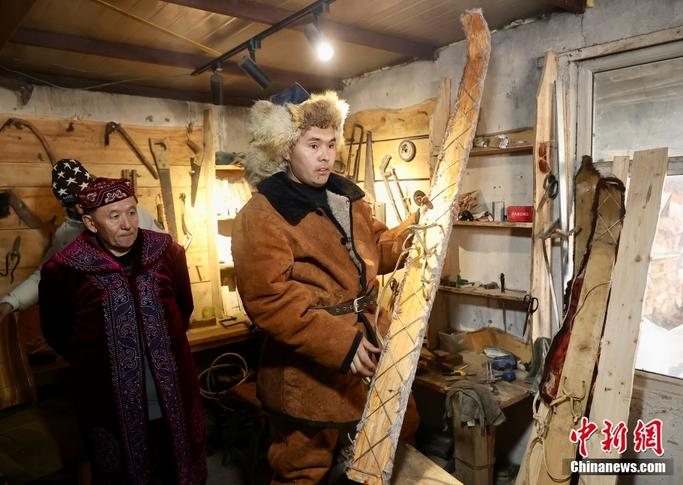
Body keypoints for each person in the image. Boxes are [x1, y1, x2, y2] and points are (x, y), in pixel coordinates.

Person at [231, 87, 420, 484]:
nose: (325, 156)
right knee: (302, 466)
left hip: (371, 345)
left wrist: (420, 226)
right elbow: (269, 301)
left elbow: (377, 252)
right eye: (313, 145)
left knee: (391, 439)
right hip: (308, 370)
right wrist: (340, 343)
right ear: (286, 149)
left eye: (331, 144)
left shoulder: (347, 198)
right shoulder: (262, 214)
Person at [38, 177, 206, 484]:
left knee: (179, 469)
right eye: (114, 216)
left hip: (174, 392)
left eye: (131, 211)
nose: (127, 224)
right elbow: (57, 332)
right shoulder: (64, 270)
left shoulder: (167, 252)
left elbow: (184, 308)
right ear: (90, 223)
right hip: (109, 403)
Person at [0, 159, 162, 323]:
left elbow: (168, 256)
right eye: (74, 203)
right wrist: (11, 301)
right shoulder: (65, 236)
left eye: (84, 198)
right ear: (66, 205)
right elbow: (45, 276)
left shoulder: (131, 215)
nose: (80, 206)